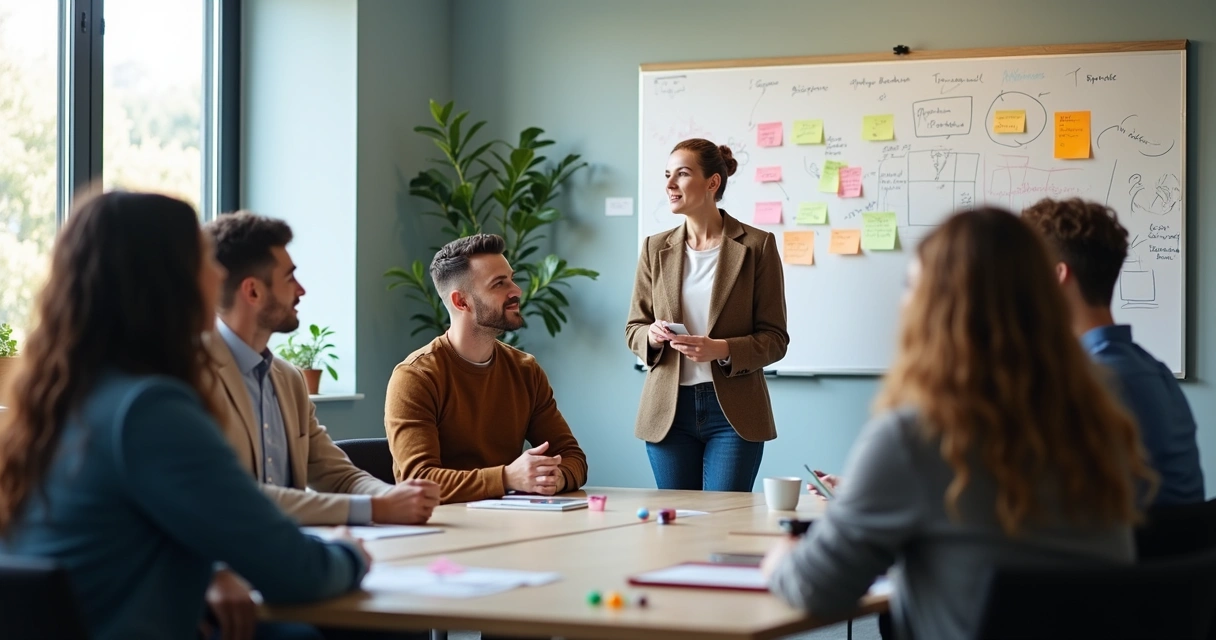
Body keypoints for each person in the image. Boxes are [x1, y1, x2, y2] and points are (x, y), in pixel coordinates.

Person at [762, 207, 1157, 640]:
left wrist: (783, 556)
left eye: (911, 285)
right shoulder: (1100, 424)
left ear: (937, 308)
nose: (904, 301)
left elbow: (817, 587)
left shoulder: (915, 436)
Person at [0, 191, 369, 640]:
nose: (218, 274)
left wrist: (208, 571)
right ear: (167, 281)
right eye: (203, 260)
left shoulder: (60, 398)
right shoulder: (149, 410)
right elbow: (296, 570)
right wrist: (349, 553)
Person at [203, 211, 440, 525]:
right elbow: (234, 495)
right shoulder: (194, 374)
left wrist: (391, 496)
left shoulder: (288, 379)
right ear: (253, 292)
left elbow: (337, 475)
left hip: (292, 554)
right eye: (290, 278)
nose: (301, 290)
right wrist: (374, 508)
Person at [625, 138, 789, 491]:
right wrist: (650, 336)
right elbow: (633, 327)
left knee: (724, 522)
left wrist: (723, 349)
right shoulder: (655, 248)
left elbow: (775, 339)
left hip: (733, 413)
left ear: (712, 182)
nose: (669, 185)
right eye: (667, 175)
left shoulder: (757, 246)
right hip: (668, 411)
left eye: (682, 174)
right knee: (676, 528)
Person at [1021, 197, 1204, 506]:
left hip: (1132, 550)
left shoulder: (1090, 382)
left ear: (1057, 275)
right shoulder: (1152, 369)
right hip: (1175, 548)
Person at [385, 234, 588, 504]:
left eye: (511, 279)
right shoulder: (415, 377)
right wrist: (506, 478)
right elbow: (419, 481)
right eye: (499, 284)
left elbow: (572, 456)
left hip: (509, 524)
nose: (516, 290)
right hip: (441, 531)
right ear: (461, 302)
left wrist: (554, 478)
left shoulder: (525, 370)